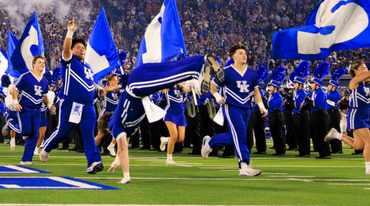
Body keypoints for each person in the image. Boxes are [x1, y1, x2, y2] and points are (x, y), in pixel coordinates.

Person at [102, 55, 213, 183]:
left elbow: (121, 148)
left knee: (169, 78)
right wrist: (117, 161)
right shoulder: (124, 124)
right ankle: (202, 60)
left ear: (107, 127)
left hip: (136, 87)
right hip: (140, 84)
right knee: (170, 69)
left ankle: (197, 70)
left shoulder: (115, 124)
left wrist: (126, 176)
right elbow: (123, 146)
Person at [37, 19, 105, 173]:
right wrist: (70, 32)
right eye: (78, 47)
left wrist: (98, 87)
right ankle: (47, 146)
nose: (81, 49)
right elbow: (66, 49)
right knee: (63, 131)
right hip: (71, 103)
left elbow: (87, 82)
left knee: (88, 132)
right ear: (73, 50)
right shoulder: (69, 61)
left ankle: (94, 162)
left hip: (88, 105)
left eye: (83, 48)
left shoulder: (87, 66)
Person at [200, 44, 268, 177]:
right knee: (241, 136)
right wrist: (218, 97)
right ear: (234, 56)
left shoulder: (252, 73)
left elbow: (256, 92)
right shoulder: (225, 72)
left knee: (235, 137)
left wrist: (261, 106)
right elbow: (212, 86)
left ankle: (211, 142)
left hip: (246, 108)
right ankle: (244, 165)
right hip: (231, 107)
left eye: (245, 53)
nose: (244, 55)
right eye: (241, 53)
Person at [325, 60, 370, 175]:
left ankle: (335, 134)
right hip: (356, 116)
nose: (366, 70)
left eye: (365, 68)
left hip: (364, 116)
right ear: (355, 71)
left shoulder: (367, 84)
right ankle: (369, 169)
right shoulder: (354, 81)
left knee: (358, 145)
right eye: (363, 68)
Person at [10, 56, 51, 166]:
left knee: (34, 135)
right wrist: (15, 102)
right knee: (26, 131)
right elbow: (14, 89)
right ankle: (10, 122)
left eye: (43, 62)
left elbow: (44, 96)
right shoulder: (26, 76)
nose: (42, 64)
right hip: (25, 108)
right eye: (39, 62)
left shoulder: (45, 81)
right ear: (33, 64)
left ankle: (26, 159)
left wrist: (50, 105)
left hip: (37, 110)